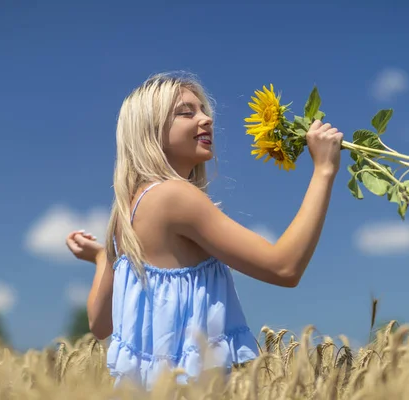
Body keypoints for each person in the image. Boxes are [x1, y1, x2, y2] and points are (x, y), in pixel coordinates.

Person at [65, 72, 343, 390]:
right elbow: (284, 267)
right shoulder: (175, 197)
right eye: (186, 112)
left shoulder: (126, 215)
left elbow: (100, 324)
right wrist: (323, 170)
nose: (206, 119)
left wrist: (103, 258)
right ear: (149, 130)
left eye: (204, 110)